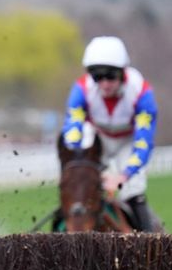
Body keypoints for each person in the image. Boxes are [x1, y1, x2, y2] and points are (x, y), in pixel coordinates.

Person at [59, 36, 161, 232]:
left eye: (111, 76)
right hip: (98, 137)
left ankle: (149, 241)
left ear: (123, 73)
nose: (105, 83)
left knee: (133, 189)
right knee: (78, 183)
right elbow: (72, 131)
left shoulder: (142, 94)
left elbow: (143, 143)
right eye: (98, 77)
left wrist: (122, 176)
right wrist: (75, 165)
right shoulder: (81, 89)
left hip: (129, 141)